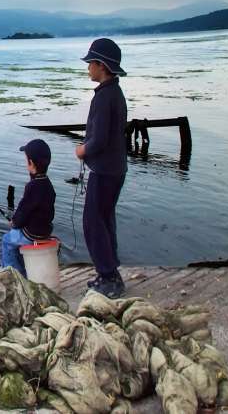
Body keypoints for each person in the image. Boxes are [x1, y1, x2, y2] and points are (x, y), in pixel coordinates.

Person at [75, 37, 128, 298]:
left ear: (102, 66)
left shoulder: (105, 97)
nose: (88, 69)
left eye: (90, 64)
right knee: (105, 220)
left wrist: (82, 149)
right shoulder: (114, 93)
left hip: (105, 170)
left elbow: (99, 140)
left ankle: (108, 277)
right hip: (115, 169)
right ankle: (109, 272)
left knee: (92, 222)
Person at [1, 138, 55, 276]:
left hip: (31, 234)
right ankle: (23, 268)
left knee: (7, 241)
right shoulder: (48, 185)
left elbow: (22, 212)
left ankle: (12, 274)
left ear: (30, 163)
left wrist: (14, 223)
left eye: (26, 160)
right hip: (45, 232)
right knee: (15, 240)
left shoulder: (32, 187)